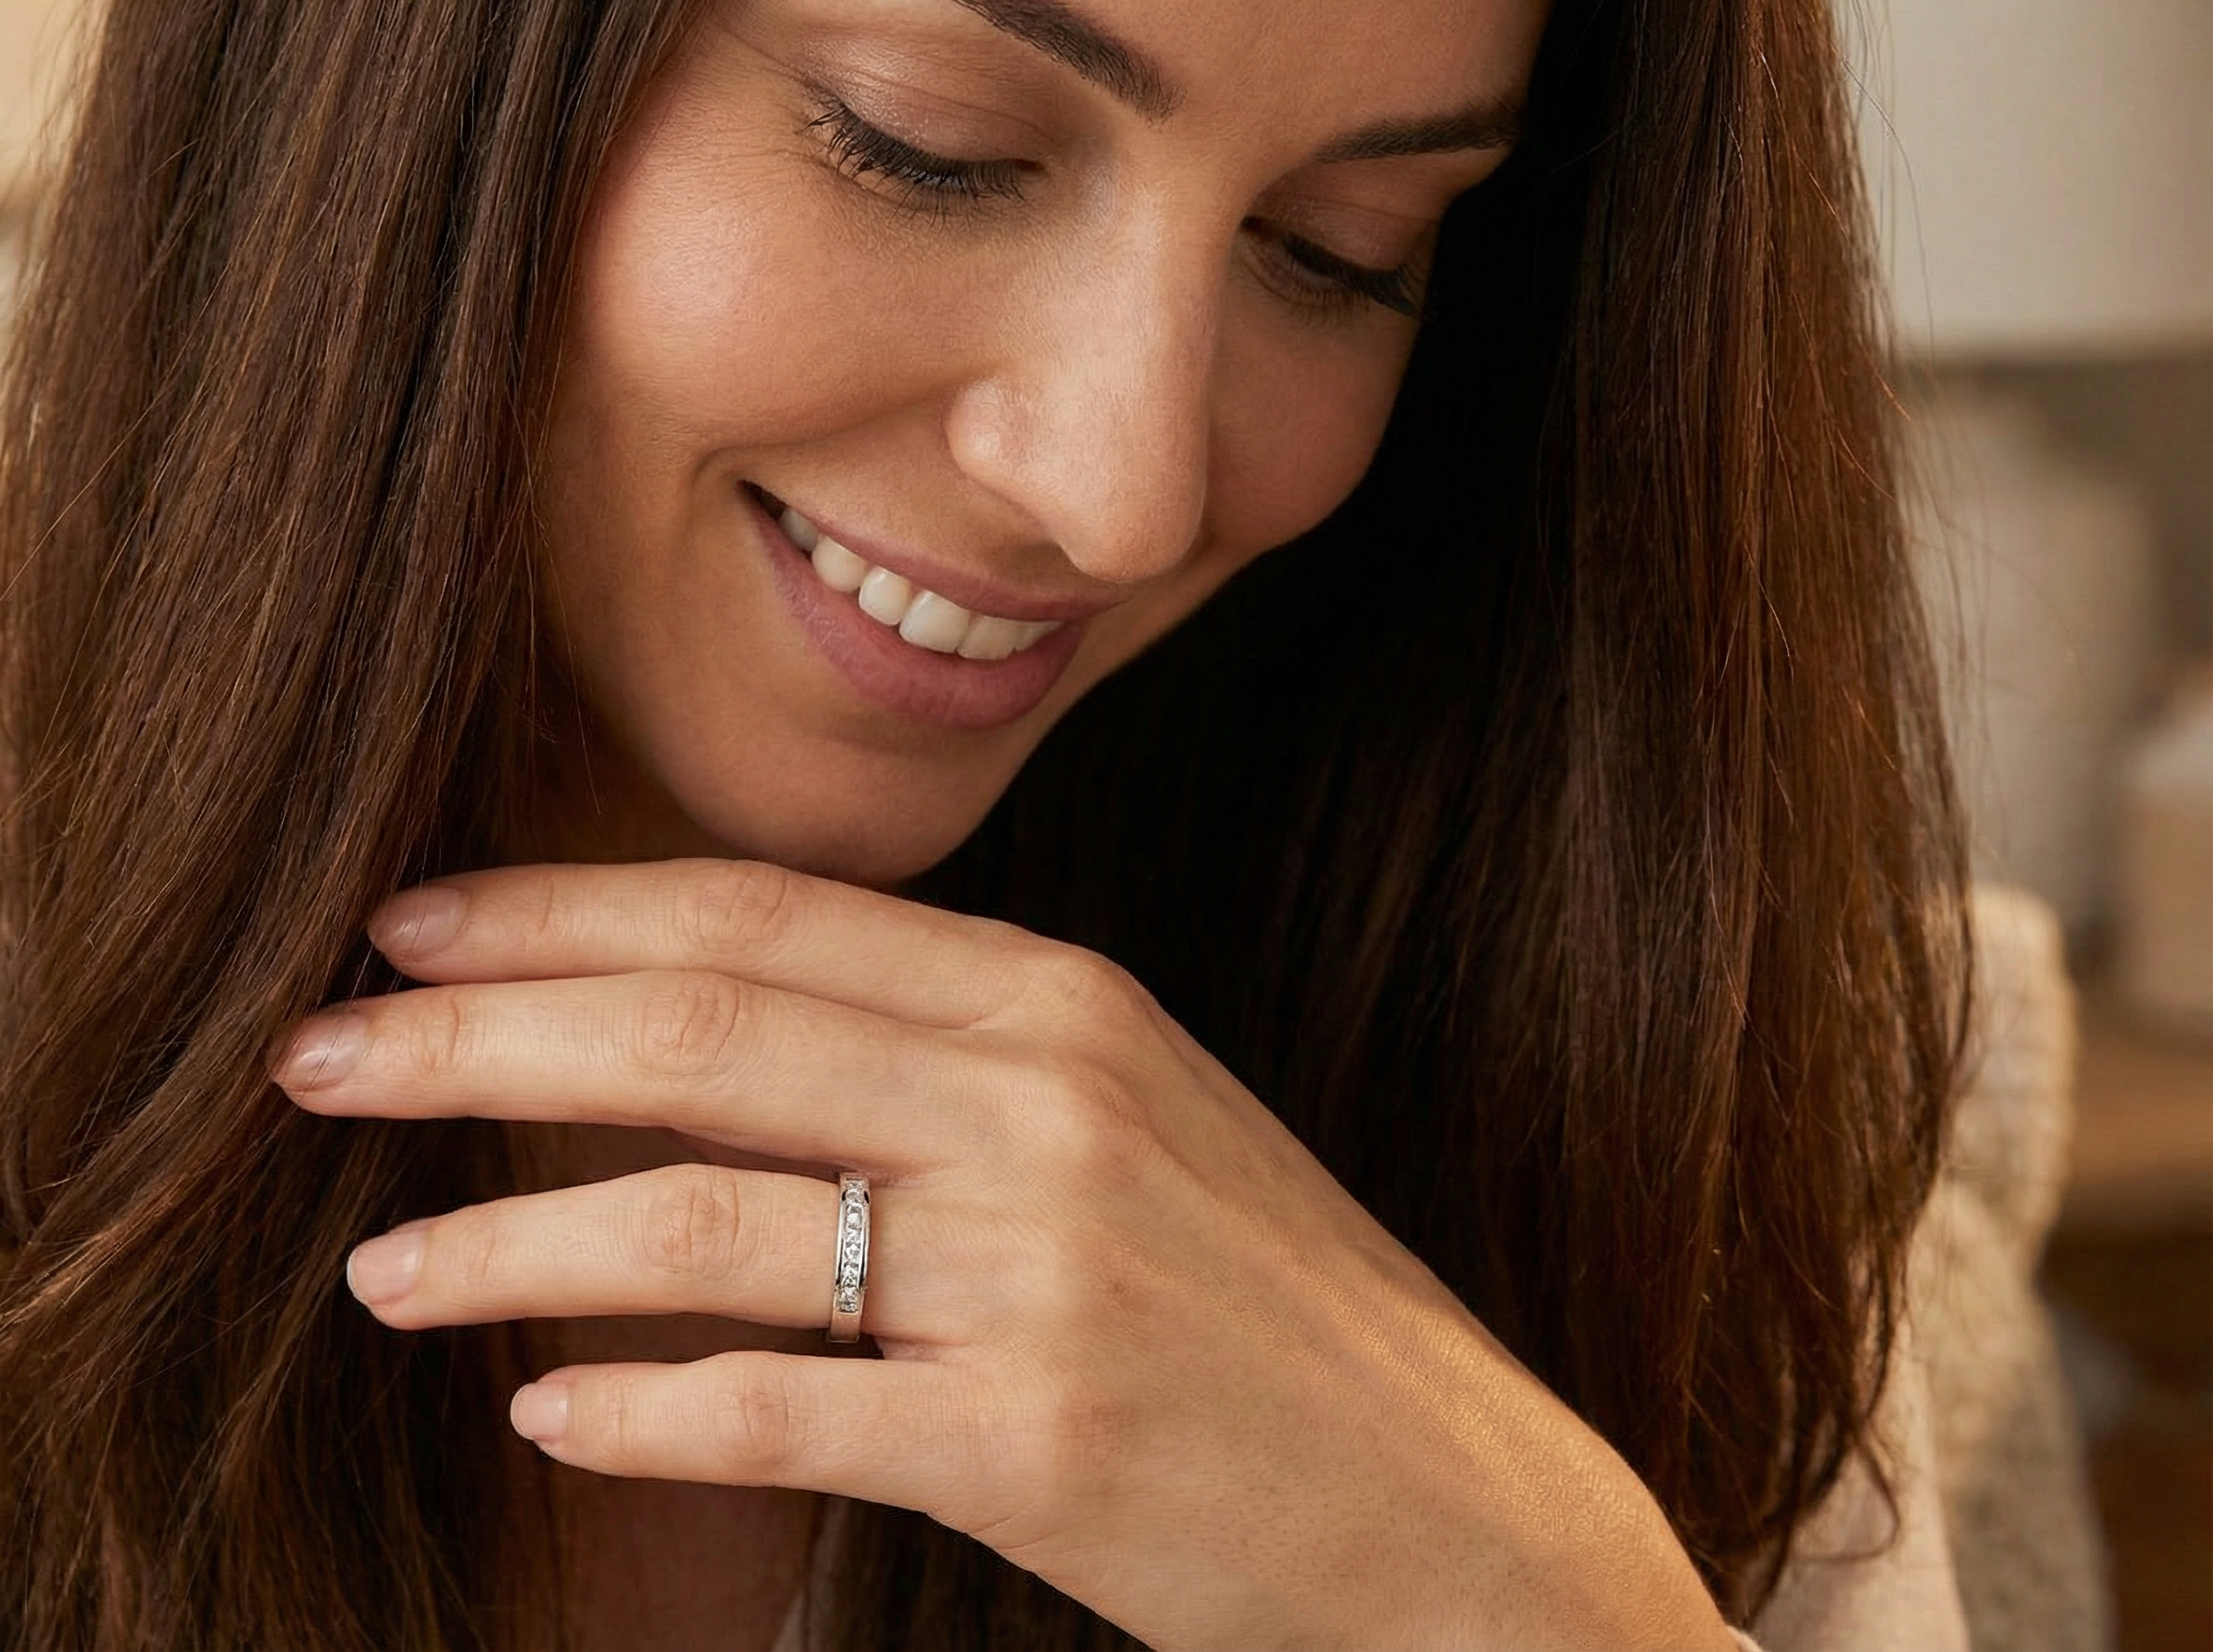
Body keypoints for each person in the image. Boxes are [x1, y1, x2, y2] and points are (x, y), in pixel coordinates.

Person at [0, 0, 1974, 1646]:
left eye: (1340, 250)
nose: (1123, 490)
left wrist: (1528, 1598)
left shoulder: (1625, 1075)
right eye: (920, 146)